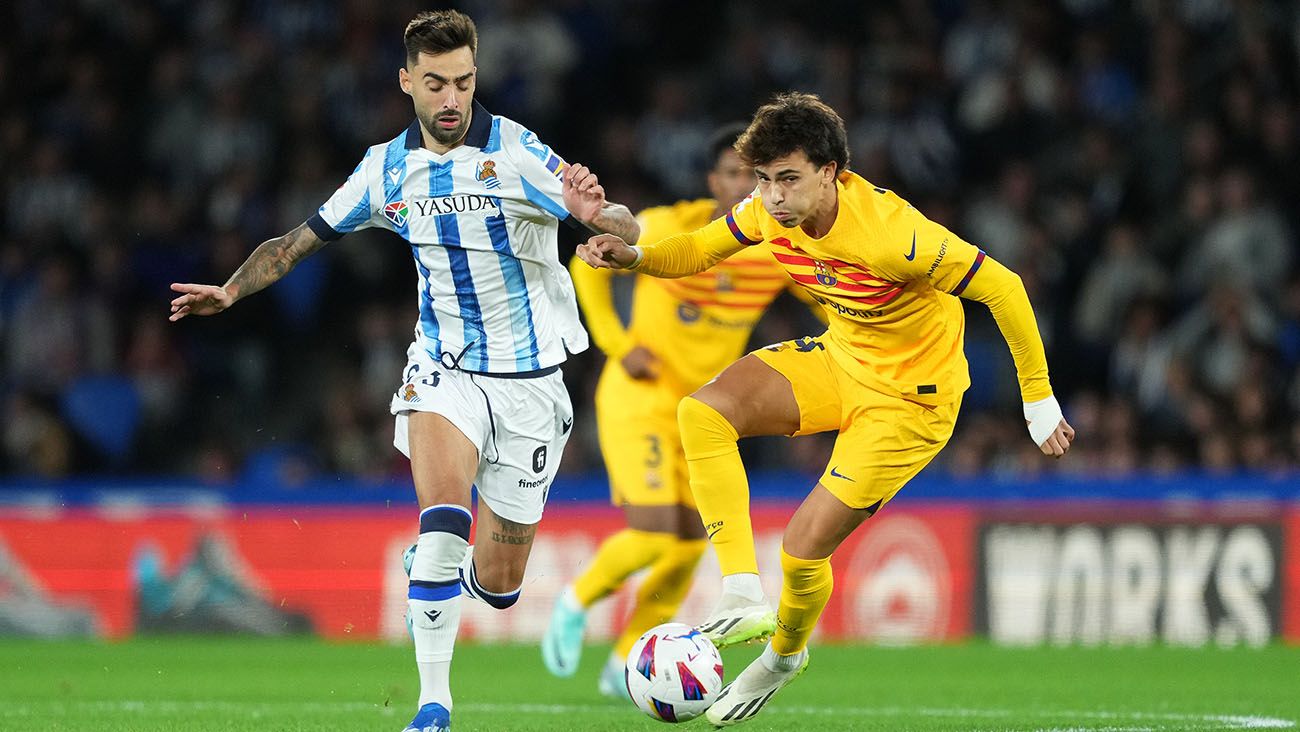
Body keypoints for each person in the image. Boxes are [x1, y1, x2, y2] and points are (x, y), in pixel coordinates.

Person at [169, 10, 638, 732]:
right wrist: (231, 289)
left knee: (499, 584)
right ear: (406, 82)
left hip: (532, 385)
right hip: (443, 370)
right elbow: (296, 242)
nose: (451, 99)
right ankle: (432, 707)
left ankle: (450, 570)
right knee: (444, 521)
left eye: (463, 82)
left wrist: (602, 221)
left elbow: (620, 224)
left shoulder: (518, 152)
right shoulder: (384, 169)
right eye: (436, 84)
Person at [576, 92, 1074, 726]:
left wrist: (1038, 397)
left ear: (831, 171)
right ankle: (740, 589)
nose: (773, 195)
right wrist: (636, 257)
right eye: (763, 179)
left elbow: (1004, 287)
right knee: (704, 412)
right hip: (842, 360)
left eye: (788, 178)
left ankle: (784, 655)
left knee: (802, 547)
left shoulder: (897, 236)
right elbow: (698, 251)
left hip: (910, 403)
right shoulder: (766, 212)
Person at [541, 124, 820, 696]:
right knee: (652, 534)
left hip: (704, 415)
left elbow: (828, 289)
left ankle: (626, 661)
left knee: (691, 544)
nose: (747, 185)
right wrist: (618, 344)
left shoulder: (774, 247)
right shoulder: (673, 224)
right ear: (714, 179)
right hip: (638, 398)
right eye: (736, 173)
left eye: (757, 175)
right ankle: (575, 602)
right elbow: (586, 265)